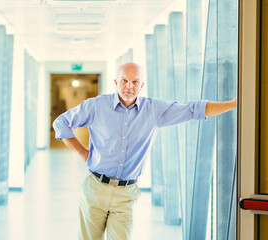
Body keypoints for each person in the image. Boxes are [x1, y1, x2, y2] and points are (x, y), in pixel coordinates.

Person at [52, 62, 237, 240]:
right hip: (95, 188)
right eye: (124, 80)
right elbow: (61, 123)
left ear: (142, 85)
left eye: (135, 82)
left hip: (125, 195)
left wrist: (233, 104)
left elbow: (193, 109)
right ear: (116, 82)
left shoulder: (154, 110)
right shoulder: (96, 106)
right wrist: (84, 153)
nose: (129, 86)